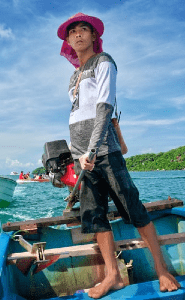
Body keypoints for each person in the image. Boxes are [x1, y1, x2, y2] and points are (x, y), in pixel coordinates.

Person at [57, 13, 180, 299]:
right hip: (83, 159)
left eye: (83, 30)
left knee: (135, 211)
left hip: (106, 153)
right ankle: (112, 276)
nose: (77, 35)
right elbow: (77, 117)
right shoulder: (73, 77)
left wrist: (93, 149)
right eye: (72, 32)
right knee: (95, 217)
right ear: (68, 42)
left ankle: (162, 270)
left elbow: (104, 107)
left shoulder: (105, 62)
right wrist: (78, 156)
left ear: (93, 36)